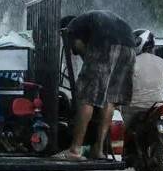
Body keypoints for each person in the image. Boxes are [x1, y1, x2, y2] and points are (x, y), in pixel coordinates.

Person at [56, 10, 136, 160]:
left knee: (87, 96)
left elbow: (80, 49)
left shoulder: (71, 28)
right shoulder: (91, 21)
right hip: (130, 47)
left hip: (106, 45)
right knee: (109, 99)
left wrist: (91, 73)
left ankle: (75, 150)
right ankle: (98, 150)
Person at [123, 29, 163, 171]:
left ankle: (120, 162)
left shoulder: (130, 62)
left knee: (121, 138)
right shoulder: (162, 62)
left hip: (133, 110)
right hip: (158, 109)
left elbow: (119, 87)